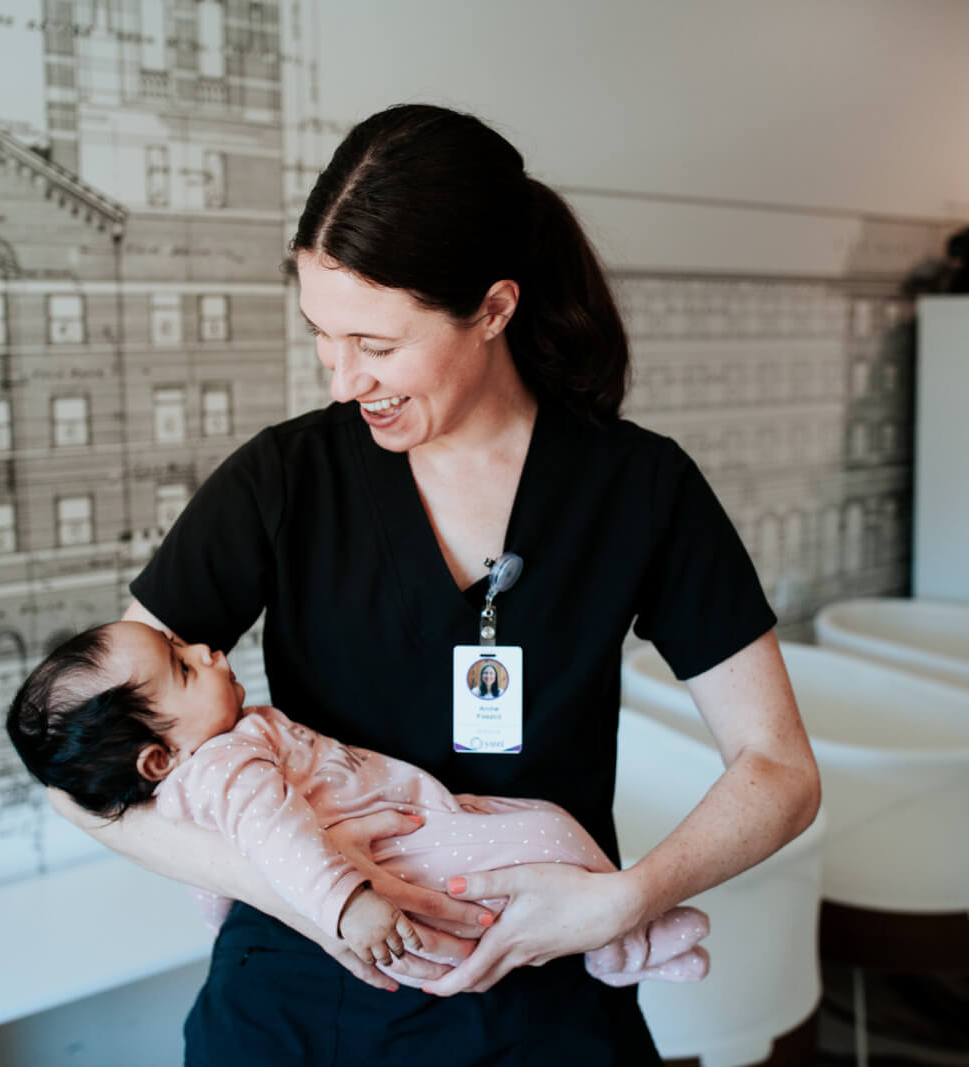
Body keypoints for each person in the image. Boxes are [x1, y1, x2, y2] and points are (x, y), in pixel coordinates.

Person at [51, 102, 820, 1065]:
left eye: (376, 346)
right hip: (302, 996)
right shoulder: (284, 479)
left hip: (541, 992)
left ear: (495, 309)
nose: (341, 381)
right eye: (322, 337)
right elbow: (94, 778)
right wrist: (320, 899)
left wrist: (625, 898)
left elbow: (780, 769)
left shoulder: (640, 489)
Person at [7, 620, 712, 987]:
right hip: (397, 861)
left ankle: (613, 932)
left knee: (529, 842)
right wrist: (349, 905)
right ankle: (624, 942)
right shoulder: (226, 766)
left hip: (402, 839)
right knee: (551, 831)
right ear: (157, 758)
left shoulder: (214, 756)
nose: (205, 647)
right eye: (185, 666)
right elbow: (281, 840)